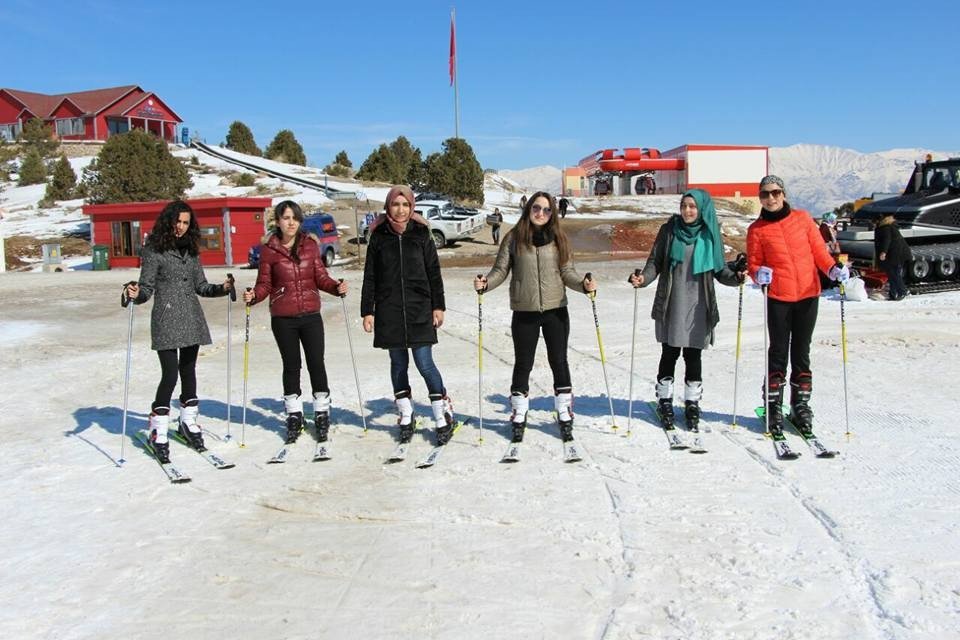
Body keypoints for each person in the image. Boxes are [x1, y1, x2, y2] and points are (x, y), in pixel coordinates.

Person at [474, 191, 596, 444]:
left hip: (556, 311)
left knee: (559, 362)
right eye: (536, 208)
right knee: (523, 364)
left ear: (552, 213)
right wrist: (486, 283)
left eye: (547, 209)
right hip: (524, 312)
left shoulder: (560, 239)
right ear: (529, 209)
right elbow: (500, 271)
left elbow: (567, 272)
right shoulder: (514, 238)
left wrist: (583, 285)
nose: (541, 213)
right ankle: (519, 413)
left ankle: (564, 412)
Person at [124, 200, 233, 464]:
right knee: (170, 374)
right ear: (168, 221)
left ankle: (187, 423)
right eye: (178, 222)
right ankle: (158, 428)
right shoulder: (154, 250)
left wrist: (222, 288)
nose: (181, 227)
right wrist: (137, 295)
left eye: (186, 223)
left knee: (189, 371)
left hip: (191, 318)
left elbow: (201, 285)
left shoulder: (192, 251)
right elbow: (147, 287)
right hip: (166, 319)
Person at [628, 190, 745, 431]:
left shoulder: (710, 234)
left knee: (693, 356)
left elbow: (720, 270)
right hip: (672, 302)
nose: (688, 211)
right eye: (684, 206)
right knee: (669, 353)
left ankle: (692, 403)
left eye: (692, 206)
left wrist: (737, 278)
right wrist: (643, 279)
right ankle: (665, 400)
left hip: (699, 305)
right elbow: (655, 263)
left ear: (701, 208)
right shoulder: (669, 231)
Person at [746, 175, 848, 437]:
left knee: (802, 350)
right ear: (760, 198)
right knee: (778, 350)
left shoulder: (803, 219)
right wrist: (759, 275)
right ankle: (773, 405)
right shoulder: (756, 230)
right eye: (765, 194)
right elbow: (754, 264)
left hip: (807, 294)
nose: (771, 198)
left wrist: (833, 270)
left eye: (776, 192)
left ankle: (800, 404)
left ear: (784, 194)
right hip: (779, 296)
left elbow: (818, 252)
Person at [243, 201, 348, 445]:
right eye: (286, 217)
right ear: (277, 221)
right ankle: (294, 415)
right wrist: (254, 296)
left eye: (295, 218)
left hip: (311, 315)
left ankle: (321, 412)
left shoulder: (310, 246)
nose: (291, 222)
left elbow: (320, 277)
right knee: (291, 366)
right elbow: (264, 284)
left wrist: (336, 287)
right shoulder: (269, 250)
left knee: (316, 363)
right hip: (283, 317)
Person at [361, 185, 456, 446]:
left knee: (425, 363)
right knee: (398, 363)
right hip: (389, 310)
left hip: (419, 308)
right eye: (395, 205)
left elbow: (434, 273)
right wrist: (367, 311)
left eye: (405, 205)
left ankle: (442, 413)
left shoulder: (422, 233)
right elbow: (370, 276)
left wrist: (439, 306)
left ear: (411, 207)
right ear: (388, 207)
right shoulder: (379, 236)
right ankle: (405, 414)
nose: (400, 210)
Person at [874, 213, 912, 301]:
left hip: (896, 254)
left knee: (894, 274)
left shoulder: (885, 228)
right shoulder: (886, 227)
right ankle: (893, 293)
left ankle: (903, 291)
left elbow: (886, 240)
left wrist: (883, 252)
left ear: (878, 221)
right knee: (891, 274)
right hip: (893, 254)